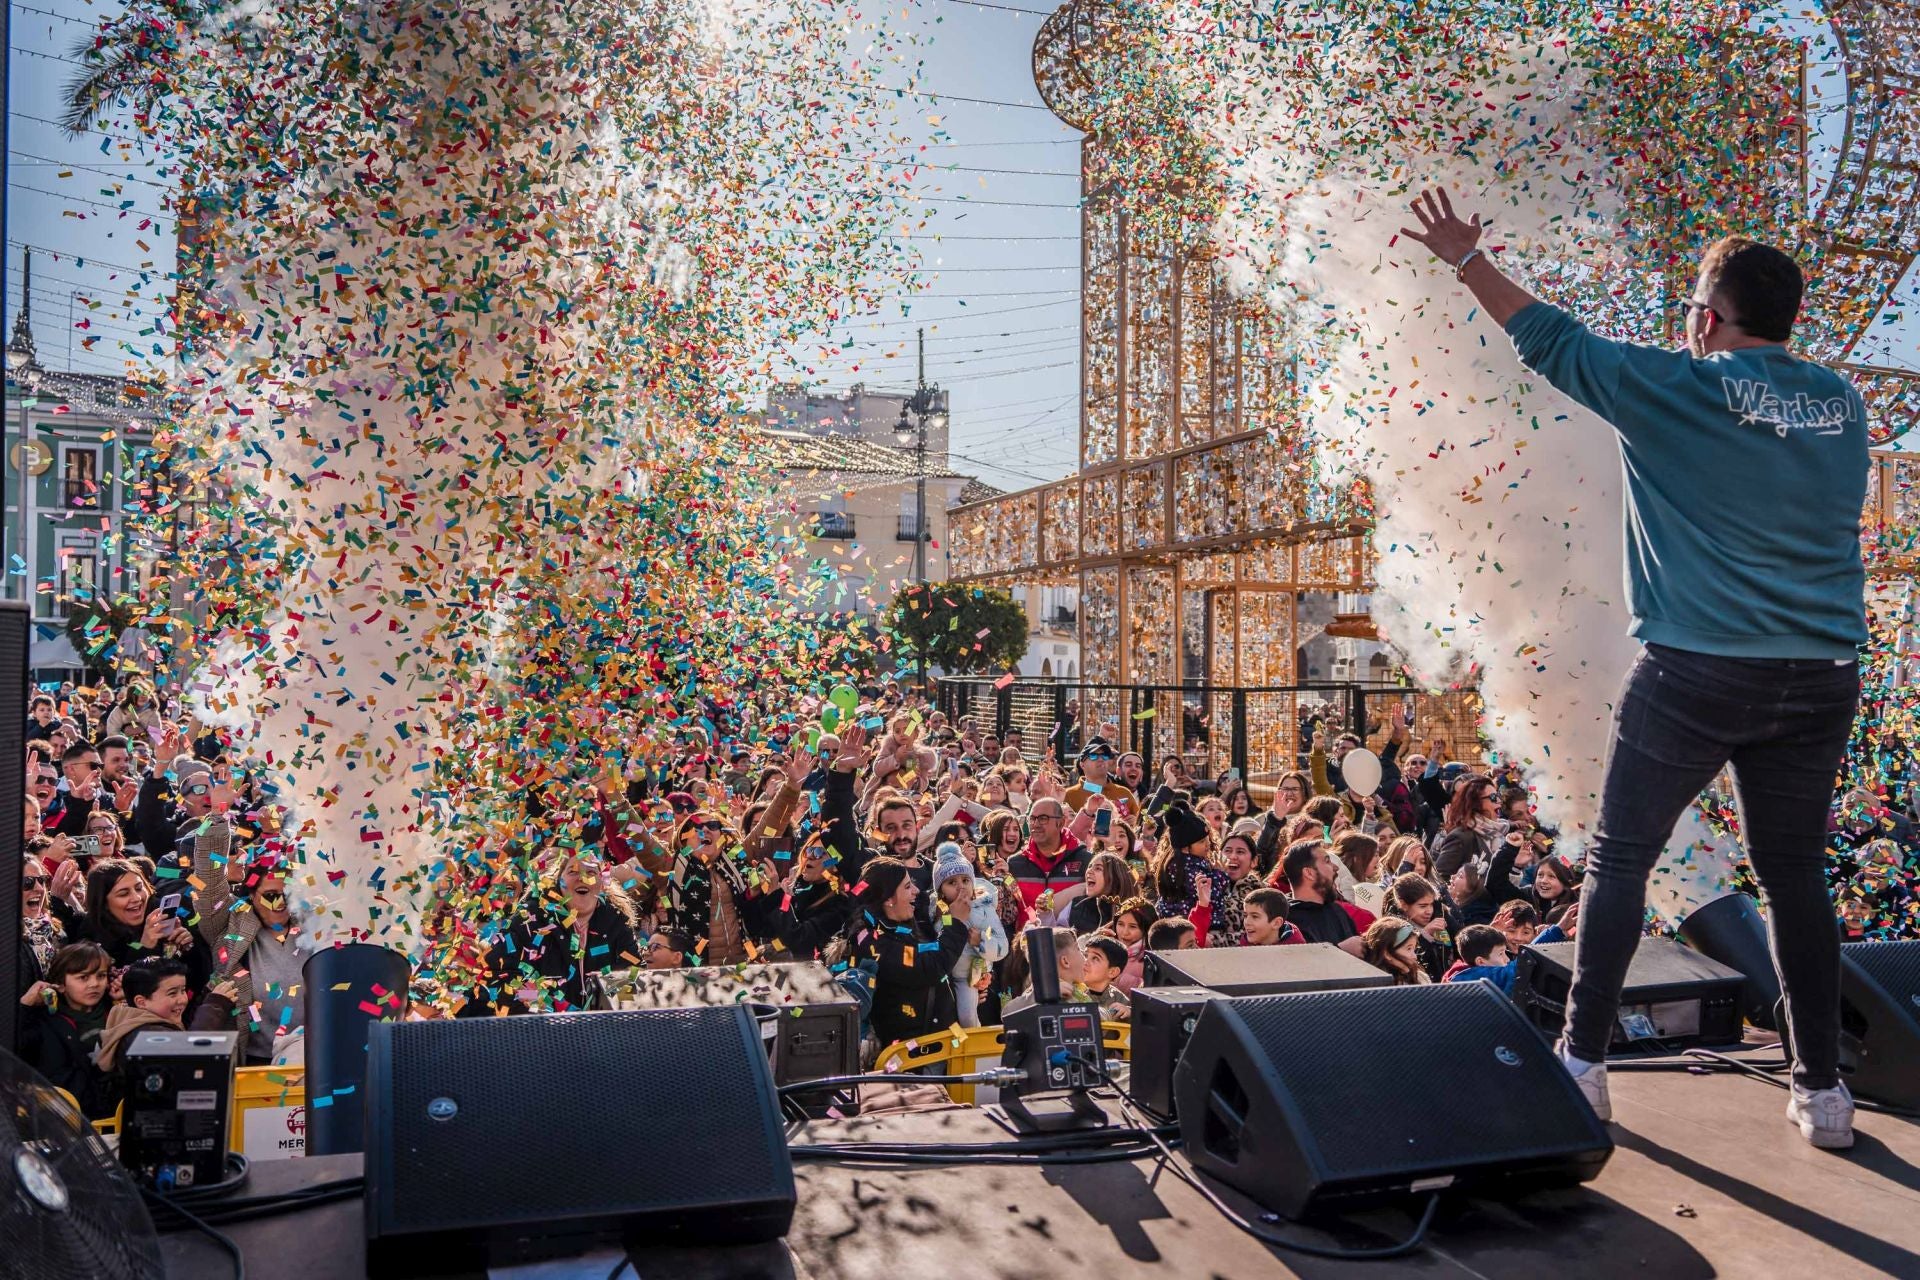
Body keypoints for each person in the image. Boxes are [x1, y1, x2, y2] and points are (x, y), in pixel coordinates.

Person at [1404, 191, 1867, 1146]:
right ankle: (1821, 1091)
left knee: (1620, 860)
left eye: (1693, 304)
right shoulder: (1841, 401)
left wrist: (1464, 259)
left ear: (1706, 316)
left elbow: (1552, 340)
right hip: (1821, 673)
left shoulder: (1680, 387)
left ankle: (1583, 1064)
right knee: (1795, 881)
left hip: (1699, 670)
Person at [837, 857, 968, 1054]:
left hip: (939, 1044)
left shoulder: (902, 924)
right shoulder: (872, 942)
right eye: (907, 887)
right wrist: (956, 923)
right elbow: (931, 965)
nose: (916, 891)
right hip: (912, 1059)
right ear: (888, 899)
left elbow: (934, 951)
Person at [19, 940, 119, 1118]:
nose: (94, 984)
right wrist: (25, 1007)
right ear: (61, 984)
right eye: (83, 977)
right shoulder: (45, 1022)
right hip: (67, 1118)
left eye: (101, 976)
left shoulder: (115, 1012)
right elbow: (18, 1049)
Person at [933, 843, 1007, 1027]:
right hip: (953, 979)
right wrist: (952, 918)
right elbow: (940, 940)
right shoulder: (939, 914)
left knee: (972, 1017)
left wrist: (981, 940)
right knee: (963, 1019)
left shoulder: (984, 909)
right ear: (941, 890)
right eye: (952, 882)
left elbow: (1002, 947)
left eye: (965, 880)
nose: (961, 887)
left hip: (977, 976)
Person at [94, 956, 194, 1075]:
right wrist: (216, 1005)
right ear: (141, 1002)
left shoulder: (130, 1020)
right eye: (172, 993)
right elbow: (194, 1064)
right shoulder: (148, 1038)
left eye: (183, 990)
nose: (182, 999)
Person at [1008, 796, 1093, 928]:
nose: (1035, 824)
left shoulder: (1086, 861)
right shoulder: (1015, 864)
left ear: (1060, 823)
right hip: (1027, 944)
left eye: (1043, 818)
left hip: (1071, 944)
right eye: (1032, 819)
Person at [764, 836, 853, 962]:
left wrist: (776, 898)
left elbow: (799, 940)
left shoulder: (840, 904)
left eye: (819, 853)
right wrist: (756, 894)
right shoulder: (799, 889)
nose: (810, 856)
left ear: (834, 865)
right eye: (809, 850)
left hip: (813, 977)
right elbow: (764, 930)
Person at [1148, 800, 1229, 926]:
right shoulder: (1189, 868)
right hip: (1188, 926)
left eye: (1207, 839)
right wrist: (1220, 874)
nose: (1207, 844)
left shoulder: (1184, 863)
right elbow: (1210, 896)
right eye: (1201, 841)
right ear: (1185, 847)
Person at [1281, 839, 1365, 955]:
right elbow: (1299, 964)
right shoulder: (1288, 920)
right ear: (1309, 873)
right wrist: (1341, 950)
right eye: (1327, 861)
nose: (1336, 867)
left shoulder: (1337, 911)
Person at [1390, 873, 1454, 982]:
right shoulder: (1395, 930)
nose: (1429, 911)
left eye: (1431, 905)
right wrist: (1423, 935)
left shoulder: (1440, 916)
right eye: (1422, 906)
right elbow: (1416, 961)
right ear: (1404, 905)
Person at [1064, 737, 1139, 822]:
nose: (1101, 759)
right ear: (1082, 765)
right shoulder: (1069, 795)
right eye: (1093, 756)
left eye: (1105, 756)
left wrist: (1135, 822)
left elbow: (1140, 824)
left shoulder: (1124, 793)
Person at [1069, 851, 1135, 935]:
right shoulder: (1075, 906)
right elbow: (1062, 943)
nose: (1089, 871)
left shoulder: (1135, 911)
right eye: (1089, 867)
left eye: (1098, 868)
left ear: (1115, 877)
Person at [1441, 924, 1517, 994]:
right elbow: (1511, 972)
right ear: (1480, 962)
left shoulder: (1461, 972)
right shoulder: (1473, 978)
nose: (1507, 959)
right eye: (1501, 954)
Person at [1360, 917, 1431, 985]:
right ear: (1386, 953)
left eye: (1414, 949)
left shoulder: (1420, 977)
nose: (1415, 956)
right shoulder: (1373, 984)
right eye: (1408, 948)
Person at [1079, 934, 1131, 1020]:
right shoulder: (1072, 989)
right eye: (1085, 955)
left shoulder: (1121, 1001)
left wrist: (1129, 1014)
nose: (1085, 961)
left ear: (1112, 972)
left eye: (1095, 958)